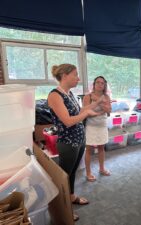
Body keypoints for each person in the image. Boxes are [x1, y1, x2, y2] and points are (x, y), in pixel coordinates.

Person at [47, 64, 100, 221]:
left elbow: (80, 112)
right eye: (75, 75)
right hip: (68, 143)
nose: (78, 78)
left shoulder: (69, 93)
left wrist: (98, 103)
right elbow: (68, 121)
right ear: (64, 75)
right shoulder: (55, 95)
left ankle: (71, 197)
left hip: (79, 140)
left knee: (72, 173)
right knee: (63, 177)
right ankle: (63, 209)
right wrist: (87, 114)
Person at [83, 76, 112, 182]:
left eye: (102, 83)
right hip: (91, 126)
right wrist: (100, 108)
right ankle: (88, 173)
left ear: (104, 85)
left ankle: (101, 169)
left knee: (101, 148)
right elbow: (86, 113)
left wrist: (99, 102)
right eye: (98, 82)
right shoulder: (88, 97)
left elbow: (109, 111)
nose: (100, 84)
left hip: (102, 125)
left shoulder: (106, 96)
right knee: (89, 150)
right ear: (94, 84)